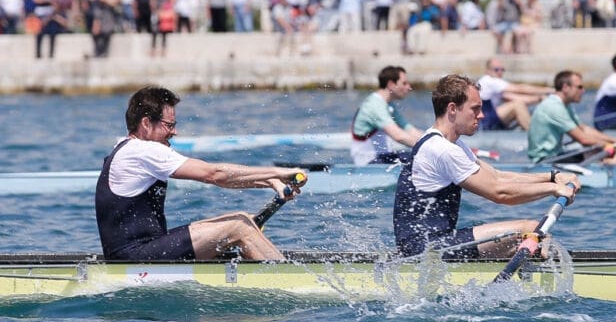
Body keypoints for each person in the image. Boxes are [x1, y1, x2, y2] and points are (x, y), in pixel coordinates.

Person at [95, 86, 307, 261]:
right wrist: (280, 172)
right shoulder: (143, 151)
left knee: (241, 221)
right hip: (135, 258)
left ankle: (267, 271)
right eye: (169, 125)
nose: (174, 131)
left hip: (138, 252)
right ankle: (295, 283)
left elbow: (220, 179)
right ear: (146, 123)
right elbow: (214, 174)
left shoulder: (126, 148)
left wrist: (271, 181)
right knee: (239, 225)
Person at [393, 74, 579, 259]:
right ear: (452, 109)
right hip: (422, 251)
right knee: (529, 230)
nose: (481, 115)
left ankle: (539, 266)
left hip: (433, 244)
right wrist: (554, 189)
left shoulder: (450, 144)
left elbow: (497, 177)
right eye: (475, 109)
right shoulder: (442, 149)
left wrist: (553, 176)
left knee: (532, 236)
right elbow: (500, 193)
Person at [527, 70, 616, 165]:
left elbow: (584, 129)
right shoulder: (554, 107)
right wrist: (611, 145)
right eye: (579, 87)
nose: (583, 91)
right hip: (543, 161)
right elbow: (583, 139)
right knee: (605, 153)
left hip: (556, 154)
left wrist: (615, 140)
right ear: (565, 87)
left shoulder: (565, 105)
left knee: (605, 152)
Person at [350, 66, 421, 166]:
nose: (409, 87)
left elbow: (408, 129)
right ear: (391, 85)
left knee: (419, 157)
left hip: (383, 157)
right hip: (368, 164)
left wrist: (435, 142)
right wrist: (428, 148)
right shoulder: (375, 105)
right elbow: (398, 136)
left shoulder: (388, 104)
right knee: (420, 159)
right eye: (404, 83)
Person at [476, 58, 552, 131]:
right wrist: (548, 90)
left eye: (502, 70)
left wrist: (540, 98)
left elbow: (515, 98)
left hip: (489, 118)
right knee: (517, 105)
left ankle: (530, 129)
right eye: (496, 70)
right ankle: (534, 134)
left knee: (518, 103)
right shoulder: (488, 80)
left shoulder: (495, 87)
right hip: (484, 120)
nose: (500, 72)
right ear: (487, 70)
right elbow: (520, 88)